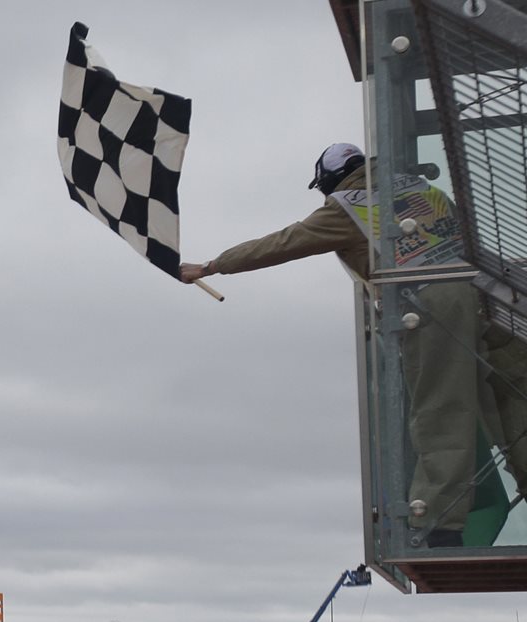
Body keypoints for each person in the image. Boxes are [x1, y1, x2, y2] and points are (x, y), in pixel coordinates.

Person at [180, 142, 524, 547]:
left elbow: (283, 242)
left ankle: (440, 526)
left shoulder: (347, 205)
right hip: (495, 298)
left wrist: (212, 266)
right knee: (516, 401)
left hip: (435, 302)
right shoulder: (420, 188)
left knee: (442, 408)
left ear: (329, 178)